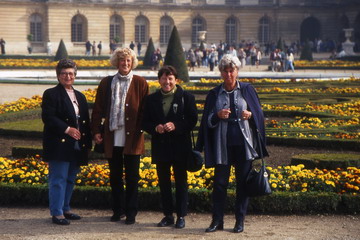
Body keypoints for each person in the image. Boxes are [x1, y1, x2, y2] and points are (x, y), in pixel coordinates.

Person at [196, 54, 268, 233]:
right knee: (219, 184)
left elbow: (258, 116)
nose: (228, 75)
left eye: (232, 71)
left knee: (242, 184)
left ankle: (239, 221)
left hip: (244, 145)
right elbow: (207, 121)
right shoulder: (214, 94)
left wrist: (250, 115)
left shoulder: (247, 89)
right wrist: (217, 116)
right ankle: (217, 221)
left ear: (237, 71)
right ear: (220, 72)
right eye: (225, 71)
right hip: (223, 145)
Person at [91, 47, 149, 224]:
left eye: (128, 61)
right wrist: (95, 131)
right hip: (112, 135)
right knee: (115, 176)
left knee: (132, 177)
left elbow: (145, 111)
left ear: (132, 63)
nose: (125, 63)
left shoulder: (140, 83)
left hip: (133, 137)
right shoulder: (106, 83)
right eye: (122, 60)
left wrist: (142, 129)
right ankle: (118, 210)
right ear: (116, 62)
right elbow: (98, 109)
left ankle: (131, 212)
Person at [142, 65, 198, 229]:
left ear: (176, 80)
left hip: (181, 146)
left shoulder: (186, 97)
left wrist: (176, 125)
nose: (167, 82)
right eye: (164, 78)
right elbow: (144, 121)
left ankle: (181, 215)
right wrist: (155, 128)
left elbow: (192, 120)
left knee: (181, 182)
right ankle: (168, 215)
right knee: (164, 183)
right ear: (159, 80)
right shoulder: (151, 99)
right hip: (161, 146)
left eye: (170, 78)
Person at [41, 59, 92, 225]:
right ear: (58, 76)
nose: (67, 76)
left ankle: (66, 208)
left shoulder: (80, 96)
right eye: (64, 73)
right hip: (59, 143)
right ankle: (57, 213)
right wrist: (67, 129)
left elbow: (85, 121)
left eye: (70, 73)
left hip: (76, 143)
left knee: (70, 178)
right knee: (58, 179)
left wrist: (88, 142)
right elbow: (48, 117)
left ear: (75, 75)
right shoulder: (51, 94)